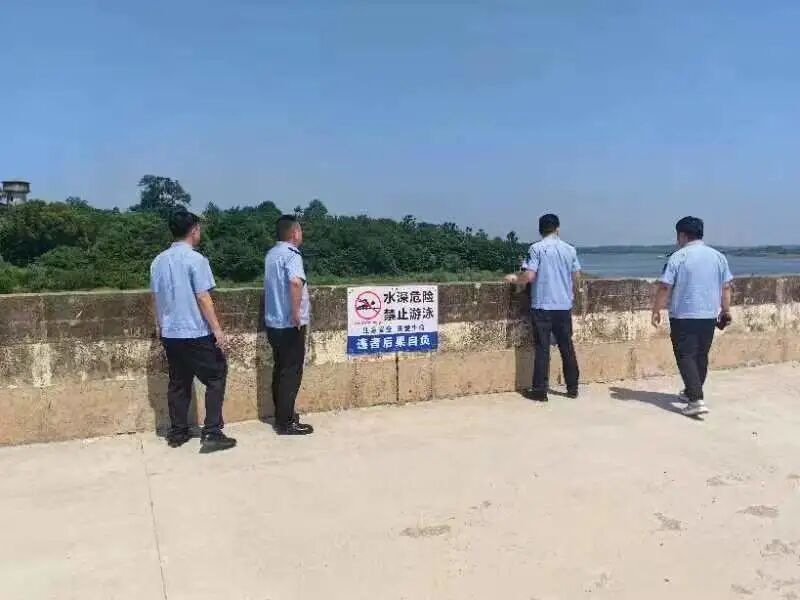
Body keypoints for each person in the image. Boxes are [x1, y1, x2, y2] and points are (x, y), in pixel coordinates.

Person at [150, 210, 237, 452]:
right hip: (195, 331)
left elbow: (155, 297)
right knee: (216, 375)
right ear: (194, 230)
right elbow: (203, 297)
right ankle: (212, 431)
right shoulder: (196, 260)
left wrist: (159, 325)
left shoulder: (158, 261)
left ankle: (178, 432)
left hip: (170, 332)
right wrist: (217, 330)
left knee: (179, 381)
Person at [652, 216, 733, 417]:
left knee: (685, 355)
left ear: (682, 235)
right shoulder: (718, 257)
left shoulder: (678, 257)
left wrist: (656, 309)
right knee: (700, 355)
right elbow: (726, 287)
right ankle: (691, 392)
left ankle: (696, 399)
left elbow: (665, 287)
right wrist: (726, 310)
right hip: (708, 314)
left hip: (683, 315)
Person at [505, 214, 581, 402]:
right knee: (567, 346)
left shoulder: (536, 248)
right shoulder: (570, 249)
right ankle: (572, 388)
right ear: (558, 229)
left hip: (542, 305)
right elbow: (576, 278)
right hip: (563, 305)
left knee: (542, 348)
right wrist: (570, 295)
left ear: (540, 230)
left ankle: (540, 391)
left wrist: (514, 279)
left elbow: (529, 276)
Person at [264, 215, 314, 435]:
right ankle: (286, 423)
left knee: (280, 370)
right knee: (291, 373)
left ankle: (282, 415)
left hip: (273, 322)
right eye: (300, 230)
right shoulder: (292, 254)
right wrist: (295, 314)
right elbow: (295, 282)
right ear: (294, 233)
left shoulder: (272, 254)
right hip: (289, 324)